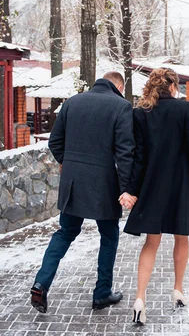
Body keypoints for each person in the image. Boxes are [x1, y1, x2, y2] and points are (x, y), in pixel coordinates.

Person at [30, 71, 138, 313]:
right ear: (119, 86)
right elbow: (124, 152)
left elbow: (55, 142)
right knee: (109, 237)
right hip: (105, 185)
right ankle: (101, 294)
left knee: (65, 233)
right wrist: (126, 188)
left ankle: (41, 283)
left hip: (73, 183)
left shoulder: (72, 102)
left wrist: (69, 165)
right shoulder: (121, 106)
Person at [124, 68, 189, 325]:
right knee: (181, 236)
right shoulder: (184, 109)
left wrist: (132, 189)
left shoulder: (140, 112)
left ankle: (140, 298)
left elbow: (138, 158)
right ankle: (178, 290)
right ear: (172, 85)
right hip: (181, 184)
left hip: (153, 185)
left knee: (152, 242)